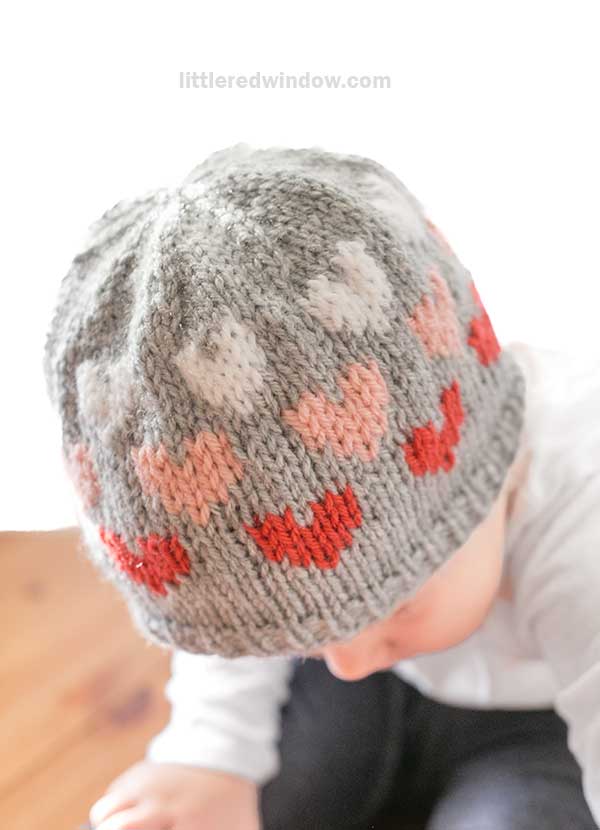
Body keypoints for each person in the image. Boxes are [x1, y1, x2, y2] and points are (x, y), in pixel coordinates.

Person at [42, 144, 600, 829]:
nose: (347, 660)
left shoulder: (582, 511)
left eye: (393, 604)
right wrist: (209, 757)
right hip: (383, 705)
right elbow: (236, 596)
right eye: (298, 633)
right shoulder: (344, 653)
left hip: (542, 728)